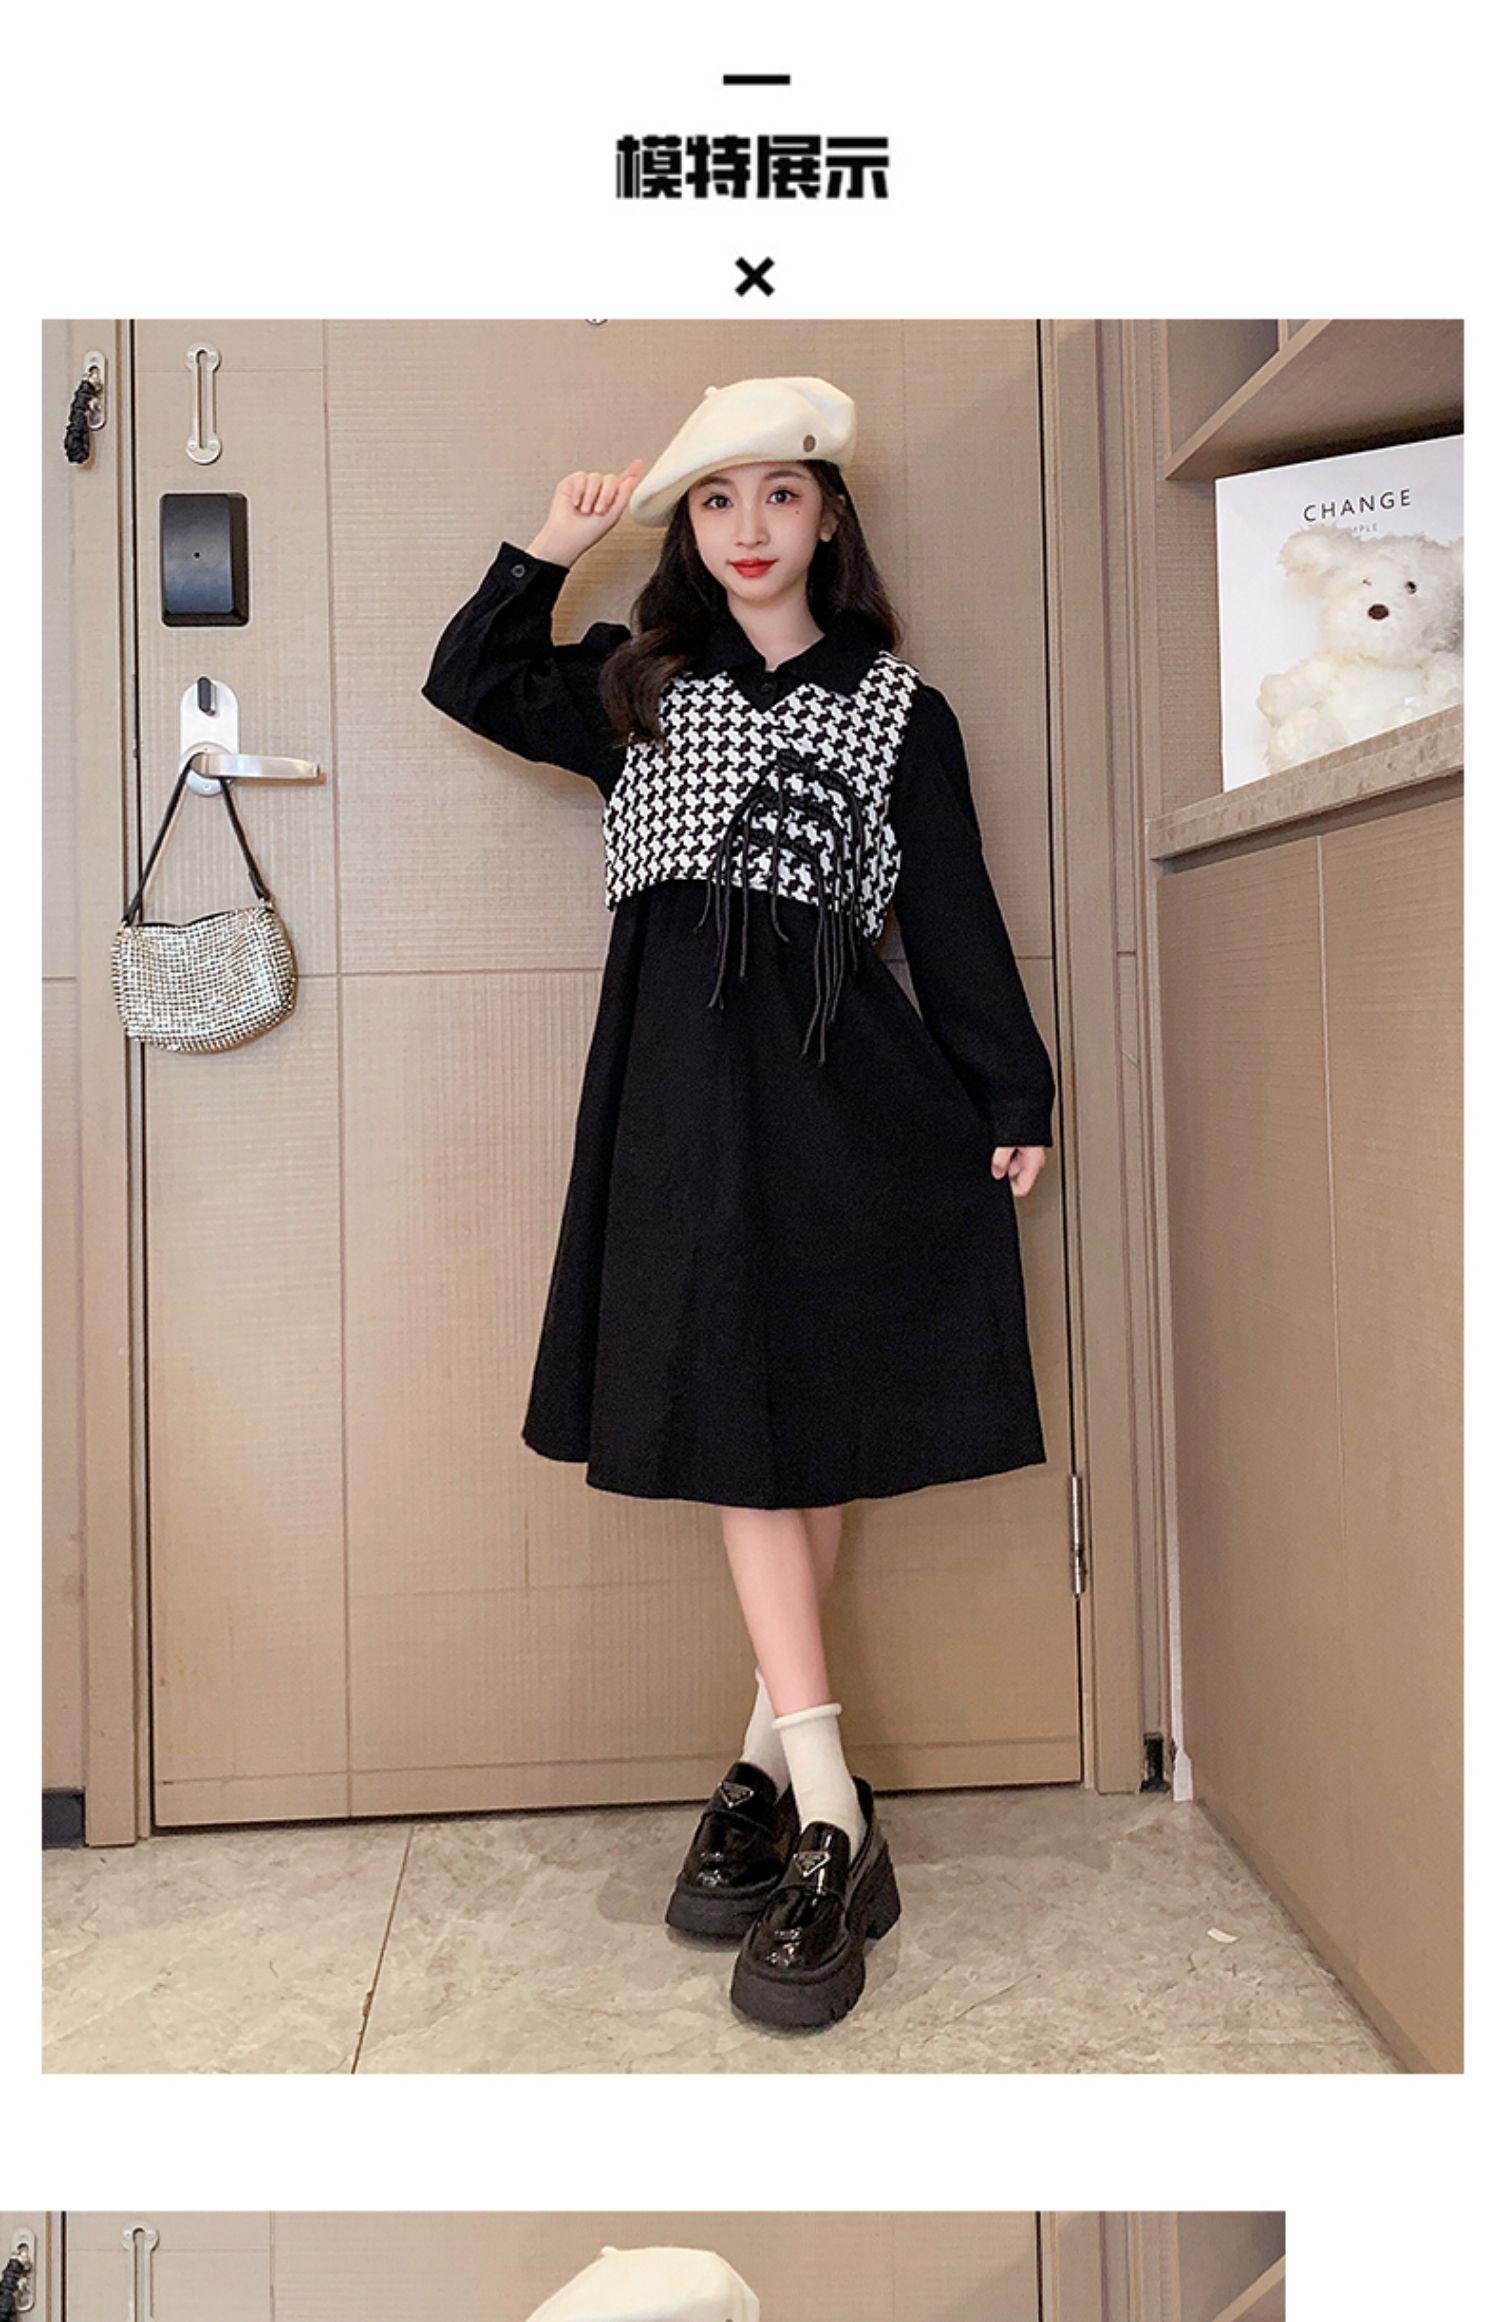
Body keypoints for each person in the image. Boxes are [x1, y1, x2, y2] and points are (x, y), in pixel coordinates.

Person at [422, 374, 1056, 2033]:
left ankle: (787, 1780)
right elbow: (470, 676)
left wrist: (1013, 1092)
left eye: (780, 493)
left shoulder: (900, 708)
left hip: (846, 1095)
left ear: (830, 514)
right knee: (746, 1428)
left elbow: (952, 908)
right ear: (689, 531)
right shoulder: (642, 686)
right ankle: (819, 1795)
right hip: (682, 1103)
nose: (751, 527)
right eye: (717, 500)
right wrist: (546, 548)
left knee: (801, 1425)